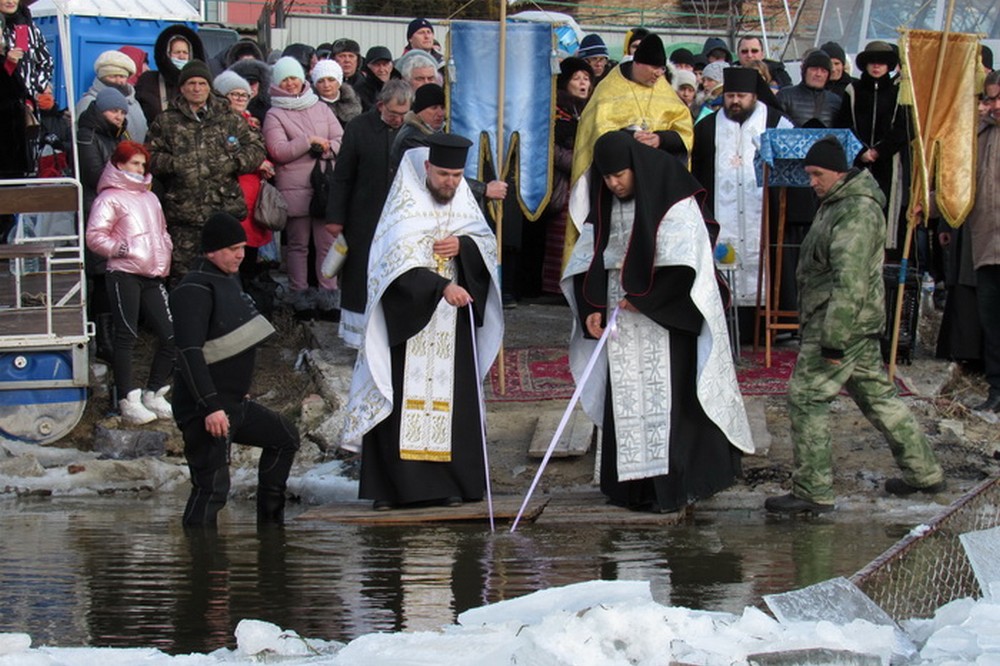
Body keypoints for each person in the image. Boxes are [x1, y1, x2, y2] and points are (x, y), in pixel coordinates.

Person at [563, 131, 754, 513]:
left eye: (619, 175)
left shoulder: (671, 192)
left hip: (666, 319)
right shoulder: (605, 197)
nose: (613, 184)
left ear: (635, 166)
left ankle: (672, 488)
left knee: (670, 402)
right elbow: (592, 253)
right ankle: (631, 490)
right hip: (621, 315)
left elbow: (688, 263)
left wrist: (646, 298)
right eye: (606, 177)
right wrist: (593, 307)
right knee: (627, 400)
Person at [764, 136, 945, 514]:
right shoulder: (838, 204)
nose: (811, 181)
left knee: (808, 398)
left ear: (839, 172)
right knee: (878, 398)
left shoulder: (855, 211)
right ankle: (924, 473)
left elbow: (850, 279)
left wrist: (832, 339)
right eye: (809, 174)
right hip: (851, 322)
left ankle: (813, 490)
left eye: (817, 174)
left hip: (840, 323)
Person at [341, 134, 503, 511]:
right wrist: (439, 286)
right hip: (407, 320)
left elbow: (486, 249)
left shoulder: (464, 201)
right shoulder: (403, 206)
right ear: (428, 168)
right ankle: (393, 489)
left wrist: (465, 248)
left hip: (452, 323)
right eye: (444, 174)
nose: (450, 182)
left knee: (451, 402)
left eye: (457, 175)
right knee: (401, 399)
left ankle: (450, 484)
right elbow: (391, 267)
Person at [171, 212, 300, 526]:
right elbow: (189, 352)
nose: (241, 254)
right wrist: (210, 406)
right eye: (232, 249)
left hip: (233, 404)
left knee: (284, 437)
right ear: (212, 250)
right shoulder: (195, 288)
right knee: (212, 488)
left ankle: (271, 532)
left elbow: (232, 341)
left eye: (242, 247)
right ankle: (199, 566)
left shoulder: (227, 280)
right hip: (206, 409)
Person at [691, 67, 793, 341]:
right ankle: (724, 324)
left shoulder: (777, 123)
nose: (735, 101)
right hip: (721, 217)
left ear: (754, 96)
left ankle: (768, 330)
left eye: (742, 96)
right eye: (730, 95)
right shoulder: (706, 127)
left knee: (767, 264)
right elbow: (697, 175)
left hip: (764, 215)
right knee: (723, 261)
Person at [146, 60, 267, 280]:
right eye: (191, 83)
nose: (197, 88)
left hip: (223, 209)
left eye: (202, 83)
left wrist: (236, 162)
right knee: (184, 275)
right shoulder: (166, 121)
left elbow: (256, 148)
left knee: (226, 275)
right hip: (184, 212)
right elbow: (150, 157)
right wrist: (176, 164)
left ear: (209, 86)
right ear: (182, 88)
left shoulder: (229, 118)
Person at [85, 141, 175, 424]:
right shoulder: (108, 198)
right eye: (134, 163)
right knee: (126, 336)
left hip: (152, 273)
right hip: (123, 272)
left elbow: (162, 230)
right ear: (119, 164)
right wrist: (121, 249)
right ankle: (128, 398)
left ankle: (154, 392)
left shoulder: (149, 197)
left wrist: (165, 248)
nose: (139, 169)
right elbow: (95, 235)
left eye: (142, 164)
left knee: (172, 334)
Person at [569, 33, 694, 235]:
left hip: (654, 188)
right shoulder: (609, 89)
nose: (658, 74)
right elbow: (598, 131)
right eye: (654, 68)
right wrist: (629, 138)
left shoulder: (663, 88)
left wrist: (660, 138)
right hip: (615, 189)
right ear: (638, 63)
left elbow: (684, 130)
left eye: (662, 69)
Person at [326, 80, 413, 348]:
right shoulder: (358, 128)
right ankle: (358, 339)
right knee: (360, 277)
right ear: (380, 106)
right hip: (362, 217)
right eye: (393, 114)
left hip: (400, 220)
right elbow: (342, 177)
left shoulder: (412, 131)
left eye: (403, 114)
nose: (398, 120)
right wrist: (335, 217)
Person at [263, 56, 344, 320]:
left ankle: (329, 296)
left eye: (294, 77)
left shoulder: (321, 108)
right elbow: (277, 150)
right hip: (294, 189)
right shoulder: (274, 113)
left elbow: (341, 139)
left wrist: (326, 148)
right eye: (284, 78)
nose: (290, 83)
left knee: (327, 244)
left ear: (302, 79)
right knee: (298, 245)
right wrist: (308, 141)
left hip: (324, 186)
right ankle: (301, 298)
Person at [834, 41, 910, 252]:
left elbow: (903, 129)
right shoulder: (853, 90)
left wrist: (878, 151)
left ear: (888, 66)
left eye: (882, 63)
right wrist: (861, 151)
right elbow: (844, 125)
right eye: (872, 63)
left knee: (886, 206)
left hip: (887, 161)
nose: (877, 67)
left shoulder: (899, 92)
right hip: (858, 162)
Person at [213, 69, 276, 295]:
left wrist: (266, 165)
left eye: (244, 94)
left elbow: (259, 149)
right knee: (233, 245)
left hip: (253, 195)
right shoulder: (217, 124)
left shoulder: (251, 121)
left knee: (249, 251)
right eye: (235, 94)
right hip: (231, 193)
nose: (240, 98)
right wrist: (256, 163)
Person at [962, 70, 1000, 411]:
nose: (995, 105)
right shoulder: (978, 136)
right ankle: (996, 390)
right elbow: (958, 182)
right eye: (990, 99)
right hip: (987, 243)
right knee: (992, 322)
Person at [1, 0, 53, 178]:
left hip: (25, 110)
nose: (10, 1)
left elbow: (46, 63)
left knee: (24, 169)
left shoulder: (28, 28)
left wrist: (34, 91)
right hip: (4, 107)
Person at [134, 24, 206, 124]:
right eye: (177, 52)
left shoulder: (199, 83)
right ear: (167, 54)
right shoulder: (149, 82)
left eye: (185, 52)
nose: (181, 57)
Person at [76, 49, 147, 142]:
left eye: (122, 76)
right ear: (101, 77)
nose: (118, 81)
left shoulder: (133, 102)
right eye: (112, 76)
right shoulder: (89, 102)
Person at [776, 49, 842, 128]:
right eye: (814, 69)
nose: (818, 74)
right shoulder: (785, 96)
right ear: (804, 71)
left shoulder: (836, 101)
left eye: (823, 71)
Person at [311, 58, 362, 126]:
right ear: (315, 84)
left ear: (339, 81)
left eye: (331, 80)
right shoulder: (310, 106)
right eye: (320, 81)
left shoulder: (354, 100)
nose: (326, 85)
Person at [353, 45, 396, 111]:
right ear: (368, 67)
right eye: (377, 65)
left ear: (391, 66)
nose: (382, 69)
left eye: (385, 64)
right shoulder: (360, 90)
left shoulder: (399, 88)